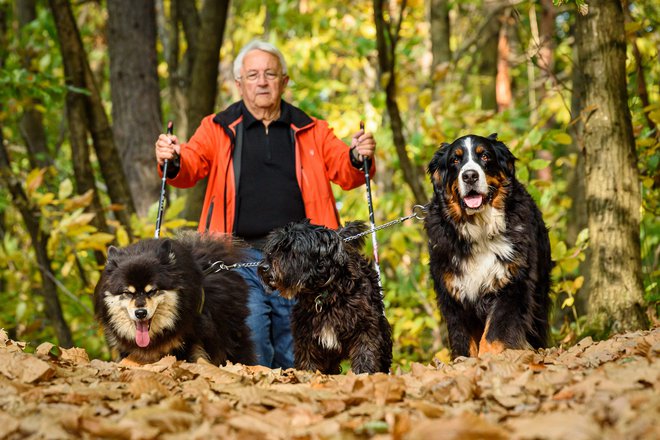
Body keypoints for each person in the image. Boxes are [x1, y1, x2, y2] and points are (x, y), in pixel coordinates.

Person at [154, 40, 377, 369]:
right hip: (238, 254)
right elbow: (188, 167)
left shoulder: (311, 129)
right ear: (239, 83)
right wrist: (171, 158)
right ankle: (256, 413)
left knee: (298, 342)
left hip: (302, 258)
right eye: (253, 74)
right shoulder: (216, 128)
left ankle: (301, 414)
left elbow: (346, 170)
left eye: (270, 74)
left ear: (284, 82)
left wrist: (359, 156)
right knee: (253, 335)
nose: (262, 81)